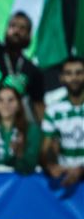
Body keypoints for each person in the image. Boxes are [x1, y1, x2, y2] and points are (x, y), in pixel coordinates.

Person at [0, 11, 45, 123]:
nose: (16, 31)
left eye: (22, 28)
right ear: (6, 29)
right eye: (13, 26)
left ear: (29, 35)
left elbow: (39, 105)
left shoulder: (33, 70)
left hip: (14, 128)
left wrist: (47, 133)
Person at [41, 56, 84, 187]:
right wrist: (51, 165)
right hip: (64, 179)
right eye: (69, 73)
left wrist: (81, 170)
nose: (74, 78)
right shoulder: (53, 110)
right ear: (62, 78)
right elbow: (45, 149)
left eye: (79, 73)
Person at [0, 85, 40, 174]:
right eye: (1, 100)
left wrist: (20, 154)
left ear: (19, 104)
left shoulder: (31, 131)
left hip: (23, 185)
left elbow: (29, 168)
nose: (5, 104)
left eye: (11, 100)